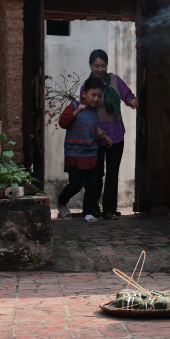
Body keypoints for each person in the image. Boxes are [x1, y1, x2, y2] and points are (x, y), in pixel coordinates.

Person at [80, 49, 138, 220]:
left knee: (113, 172)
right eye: (96, 66)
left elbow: (126, 94)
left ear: (107, 65)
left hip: (116, 132)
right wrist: (95, 128)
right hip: (95, 134)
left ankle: (109, 210)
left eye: (103, 65)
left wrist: (131, 100)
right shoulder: (87, 85)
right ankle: (93, 205)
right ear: (90, 65)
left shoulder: (114, 80)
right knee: (97, 173)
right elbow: (84, 110)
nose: (100, 69)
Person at [56, 77, 113, 223]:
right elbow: (63, 123)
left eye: (99, 96)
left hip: (90, 153)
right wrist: (76, 112)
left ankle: (87, 213)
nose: (96, 98)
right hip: (74, 153)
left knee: (92, 186)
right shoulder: (74, 106)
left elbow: (91, 128)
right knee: (75, 184)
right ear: (84, 94)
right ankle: (61, 203)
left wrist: (103, 136)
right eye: (93, 95)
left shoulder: (94, 111)